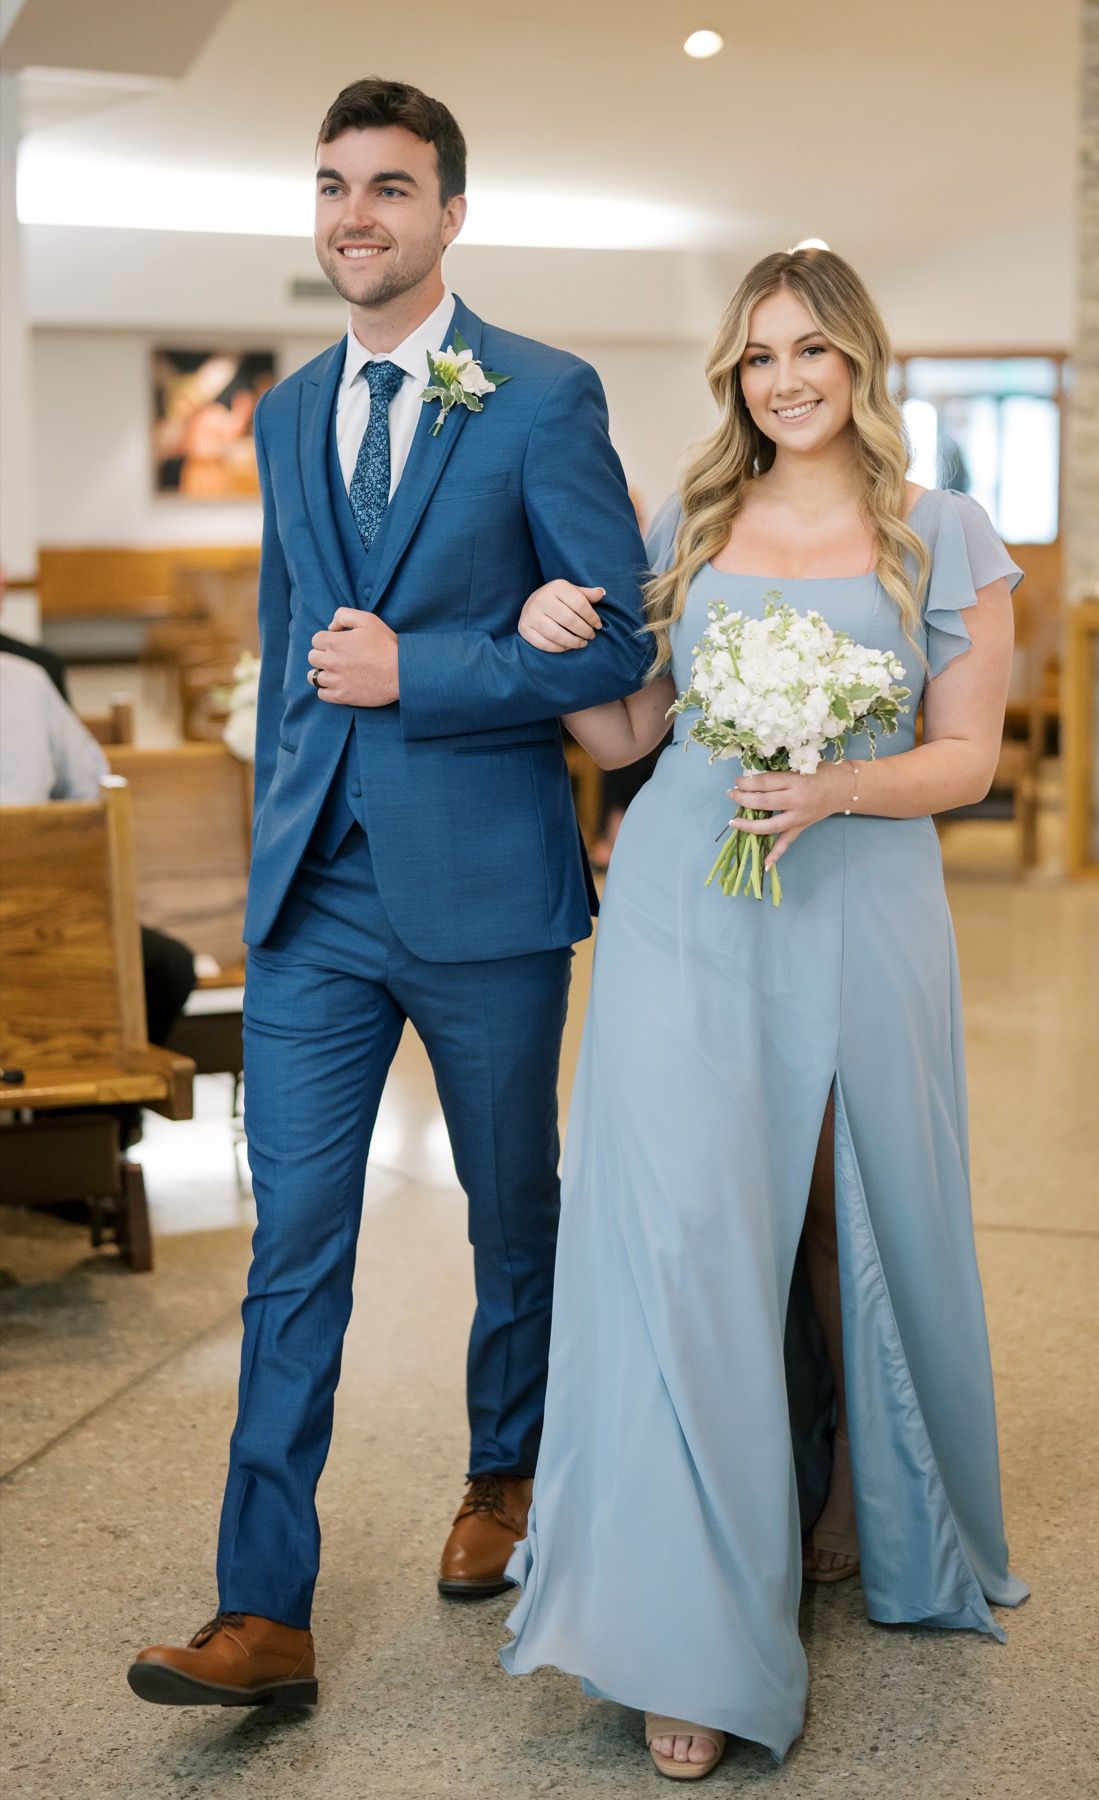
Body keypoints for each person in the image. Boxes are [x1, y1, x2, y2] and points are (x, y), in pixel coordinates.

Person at [129, 77, 649, 1709]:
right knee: (294, 1243)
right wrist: (275, 847)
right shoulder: (284, 413)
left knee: (515, 1216)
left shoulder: (544, 397)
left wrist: (420, 668)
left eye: (392, 187)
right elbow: (298, 652)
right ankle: (259, 1611)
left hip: (487, 893)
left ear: (450, 214)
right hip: (314, 911)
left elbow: (622, 648)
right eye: (334, 185)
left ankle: (506, 1475)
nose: (357, 212)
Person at [501, 247, 1029, 1778]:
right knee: (683, 1231)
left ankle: (867, 1491)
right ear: (732, 378)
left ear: (861, 360)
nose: (785, 380)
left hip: (859, 896)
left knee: (840, 1212)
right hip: (684, 894)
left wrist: (835, 784)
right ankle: (692, 1628)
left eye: (812, 350)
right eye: (756, 357)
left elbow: (969, 759)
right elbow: (633, 731)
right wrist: (556, 654)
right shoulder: (695, 520)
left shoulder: (945, 533)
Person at [0, 653, 195, 1052]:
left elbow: (90, 790)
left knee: (165, 967)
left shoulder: (26, 682)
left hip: (41, 908)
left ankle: (102, 1109)